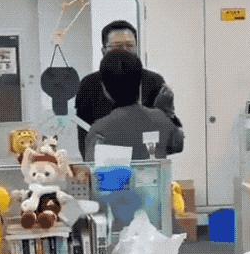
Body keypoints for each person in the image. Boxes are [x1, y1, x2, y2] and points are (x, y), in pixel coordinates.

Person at [75, 20, 182, 159]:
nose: (124, 51)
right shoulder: (89, 84)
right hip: (107, 162)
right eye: (118, 46)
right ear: (103, 51)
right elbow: (84, 136)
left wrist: (166, 114)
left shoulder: (153, 81)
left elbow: (171, 141)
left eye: (130, 46)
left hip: (149, 162)